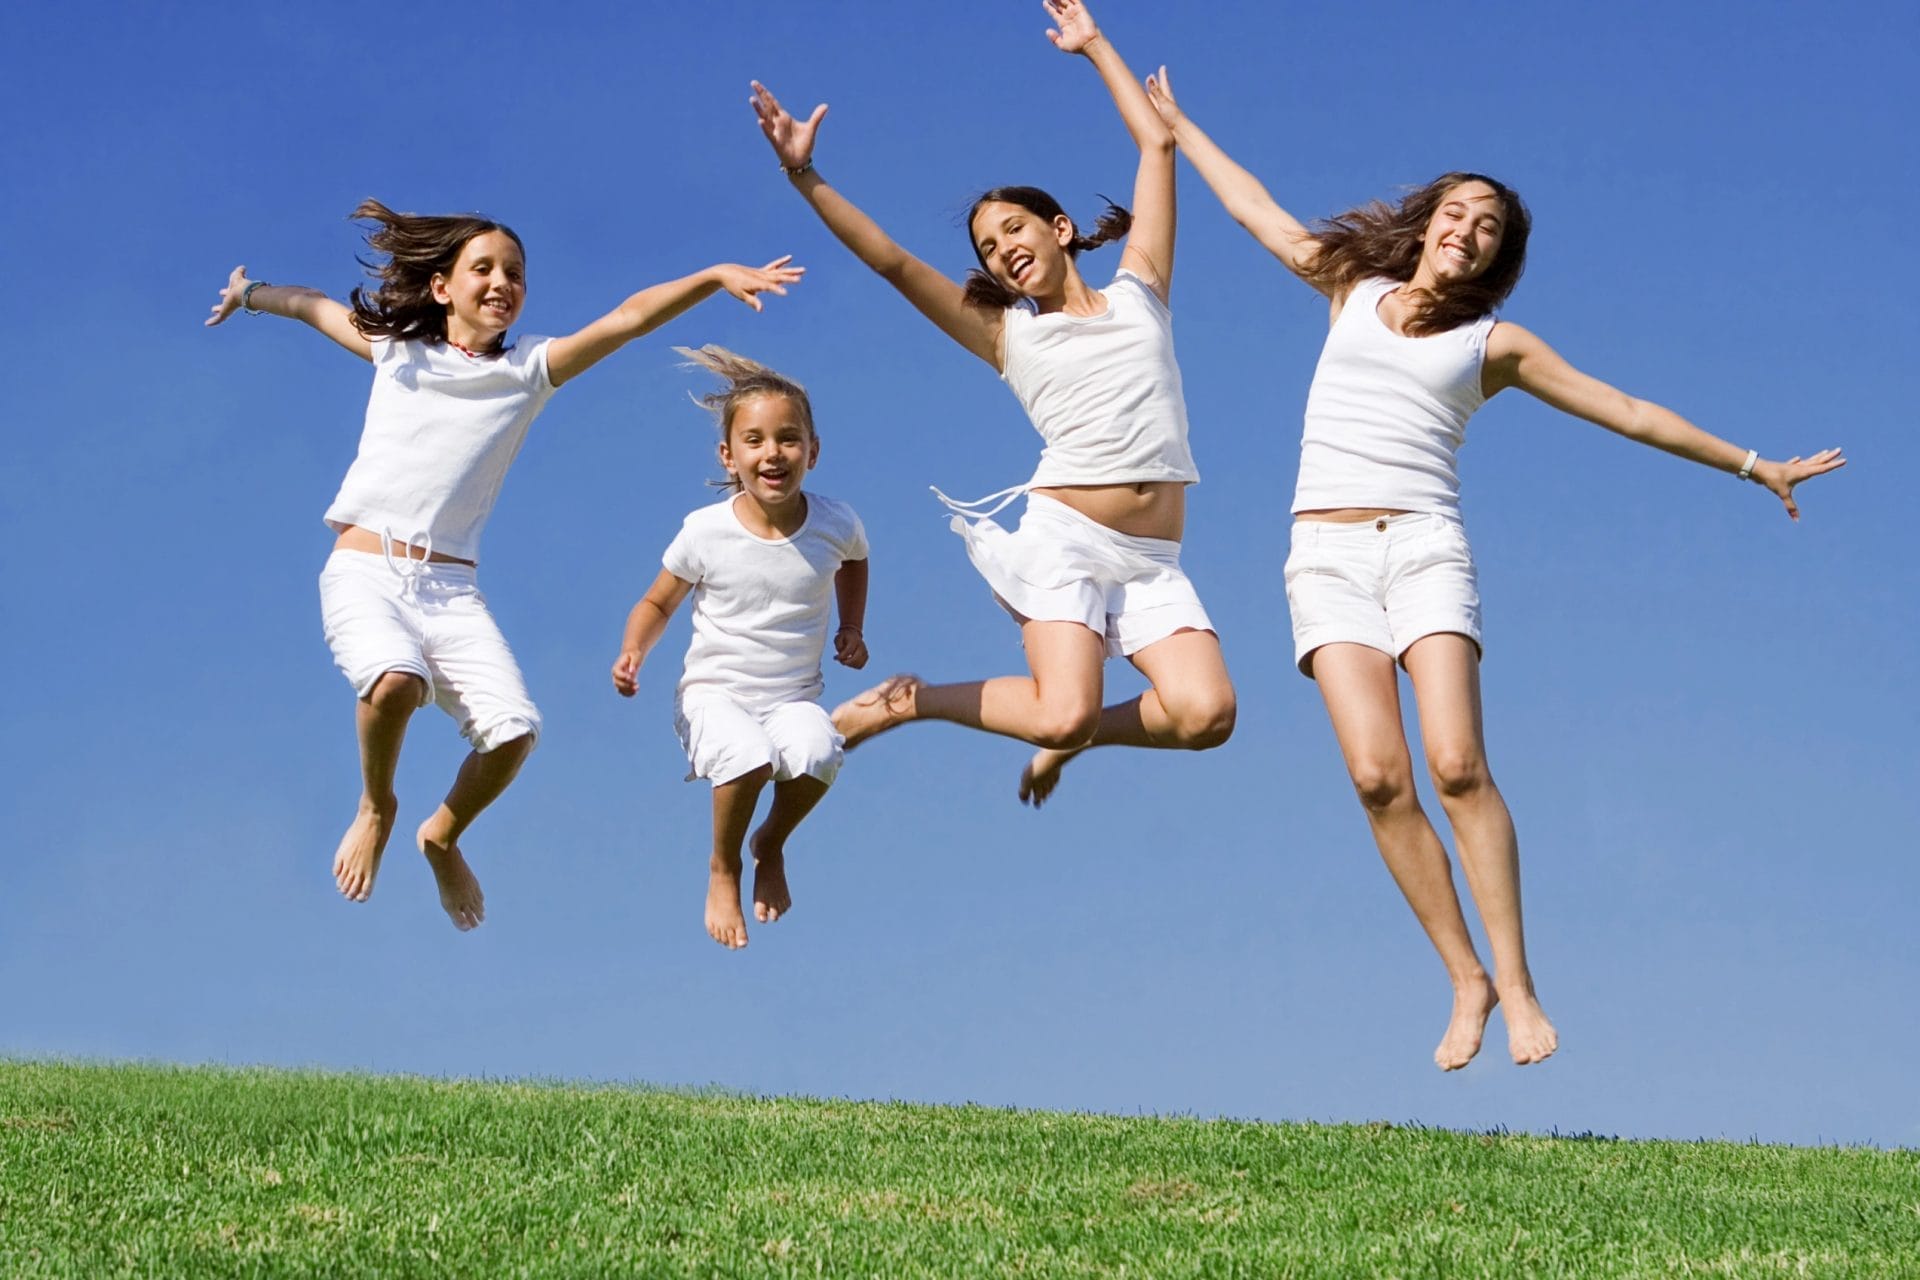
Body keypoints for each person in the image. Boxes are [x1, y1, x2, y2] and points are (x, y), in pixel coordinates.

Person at [1144, 69, 1846, 1068]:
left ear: (1494, 256)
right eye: (1456, 211)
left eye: (1487, 225)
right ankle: (1463, 978)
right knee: (1380, 777)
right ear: (1427, 222)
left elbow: (1630, 410)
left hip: (1424, 544)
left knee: (1456, 764)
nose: (1466, 228)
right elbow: (1254, 209)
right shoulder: (1352, 284)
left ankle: (1517, 984)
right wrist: (1180, 126)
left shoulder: (1495, 342)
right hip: (1326, 552)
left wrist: (1752, 462)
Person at [206, 201, 802, 931]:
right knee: (395, 681)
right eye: (482, 268)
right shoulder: (396, 351)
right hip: (364, 569)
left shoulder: (527, 372)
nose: (501, 282)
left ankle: (442, 833)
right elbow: (313, 306)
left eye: (514, 272)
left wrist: (711, 276)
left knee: (515, 731)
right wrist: (250, 294)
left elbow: (627, 318)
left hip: (451, 587)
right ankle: (377, 803)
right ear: (441, 288)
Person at [750, 0, 1234, 807]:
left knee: (1207, 712)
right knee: (1062, 708)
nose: (1004, 249)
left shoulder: (1141, 292)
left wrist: (1094, 46)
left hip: (1153, 560)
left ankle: (1066, 742)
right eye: (986, 247)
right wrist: (805, 175)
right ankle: (910, 702)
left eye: (1015, 229)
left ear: (1061, 229)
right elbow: (894, 265)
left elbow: (1156, 143)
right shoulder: (1009, 336)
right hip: (1069, 541)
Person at [612, 347, 869, 950]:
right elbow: (657, 603)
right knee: (749, 758)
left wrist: (853, 627)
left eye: (788, 438)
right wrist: (633, 652)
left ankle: (768, 843)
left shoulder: (836, 522)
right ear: (729, 457)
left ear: (813, 450)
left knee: (818, 753)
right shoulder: (706, 530)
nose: (772, 453)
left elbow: (855, 563)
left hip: (790, 697)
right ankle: (723, 868)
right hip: (714, 694)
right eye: (753, 441)